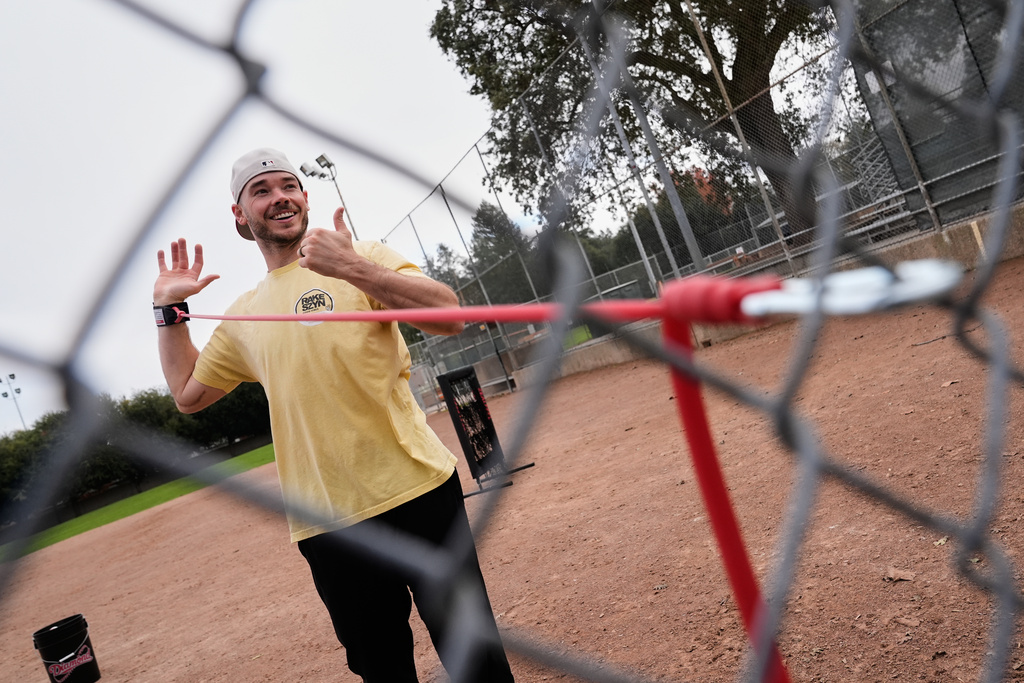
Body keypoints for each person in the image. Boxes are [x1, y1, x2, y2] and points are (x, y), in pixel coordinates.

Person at [153, 148, 515, 682]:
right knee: (382, 668)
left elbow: (449, 315)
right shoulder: (245, 313)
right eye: (261, 190)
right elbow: (187, 393)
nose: (279, 196)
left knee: (476, 659)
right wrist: (169, 314)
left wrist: (352, 267)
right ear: (239, 214)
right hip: (326, 522)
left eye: (288, 185)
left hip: (418, 491)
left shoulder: (360, 256)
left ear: (305, 197)